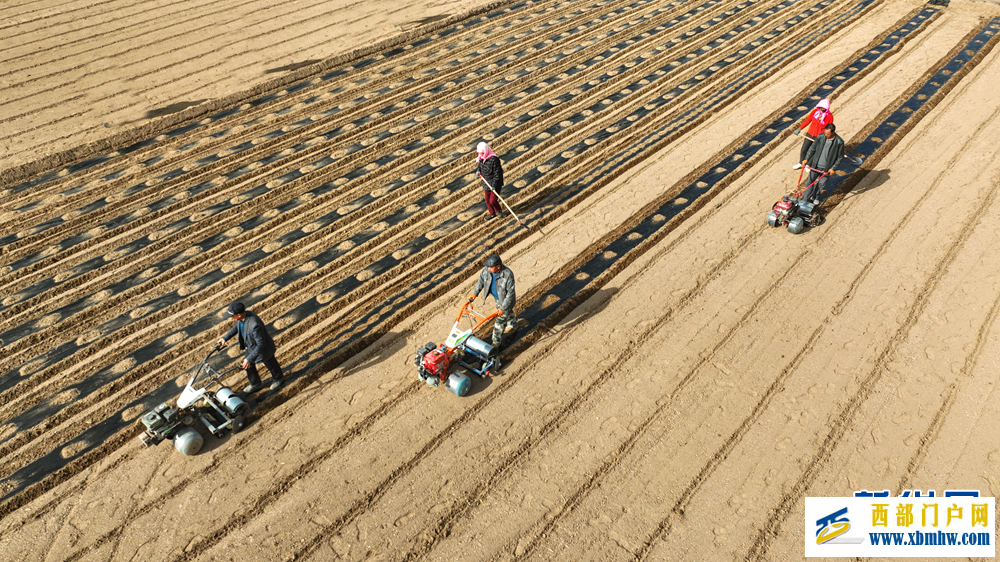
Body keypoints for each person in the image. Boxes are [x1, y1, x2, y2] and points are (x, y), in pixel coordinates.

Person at [217, 302, 285, 393]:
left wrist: (249, 358)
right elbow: (236, 328)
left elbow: (261, 344)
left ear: (239, 315)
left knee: (271, 364)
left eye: (232, 316)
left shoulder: (254, 325)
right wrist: (225, 338)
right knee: (248, 365)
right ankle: (255, 383)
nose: (231, 318)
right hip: (251, 346)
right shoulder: (241, 319)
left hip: (263, 349)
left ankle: (278, 379)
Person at [468, 254, 517, 348]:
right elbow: (481, 281)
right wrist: (475, 293)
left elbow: (510, 294)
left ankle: (495, 343)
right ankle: (513, 325)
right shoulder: (487, 271)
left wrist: (503, 308)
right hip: (497, 297)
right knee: (507, 313)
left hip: (506, 300)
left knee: (499, 322)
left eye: (491, 267)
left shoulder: (507, 274)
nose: (488, 268)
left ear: (498, 267)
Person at [801, 123, 845, 204]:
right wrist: (806, 159)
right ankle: (805, 198)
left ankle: (814, 197)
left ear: (833, 132)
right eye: (825, 133)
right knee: (810, 182)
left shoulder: (839, 142)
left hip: (827, 168)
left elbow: (840, 157)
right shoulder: (821, 137)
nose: (826, 135)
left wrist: (833, 168)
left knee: (821, 183)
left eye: (828, 134)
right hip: (816, 165)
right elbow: (812, 148)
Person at [793, 98, 833, 170]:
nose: (822, 109)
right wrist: (799, 128)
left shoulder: (829, 116)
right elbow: (808, 120)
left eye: (824, 108)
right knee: (804, 149)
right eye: (821, 107)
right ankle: (800, 163)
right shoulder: (815, 112)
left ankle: (808, 165)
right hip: (810, 134)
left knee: (813, 151)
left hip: (819, 137)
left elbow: (829, 128)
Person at [475, 141, 504, 220]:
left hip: (495, 184)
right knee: (487, 200)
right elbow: (480, 167)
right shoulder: (481, 159)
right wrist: (478, 171)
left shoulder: (494, 160)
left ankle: (499, 211)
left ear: (485, 151)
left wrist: (494, 185)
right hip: (486, 182)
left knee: (492, 200)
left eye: (481, 153)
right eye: (479, 153)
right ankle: (492, 214)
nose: (480, 155)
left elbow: (497, 174)